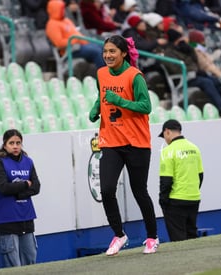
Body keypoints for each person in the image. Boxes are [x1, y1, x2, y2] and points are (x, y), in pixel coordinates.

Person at [88, 34, 159, 255]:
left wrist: (120, 101)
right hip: (111, 140)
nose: (107, 55)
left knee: (139, 191)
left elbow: (146, 106)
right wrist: (96, 108)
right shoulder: (100, 73)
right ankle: (119, 235)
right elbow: (102, 95)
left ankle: (152, 237)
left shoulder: (134, 76)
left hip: (136, 142)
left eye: (112, 52)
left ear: (124, 53)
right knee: (107, 190)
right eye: (105, 51)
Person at [0, 129, 41, 267]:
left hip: (26, 217)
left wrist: (19, 192)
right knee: (13, 266)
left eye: (18, 143)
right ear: (5, 145)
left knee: (30, 260)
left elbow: (36, 187)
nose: (15, 146)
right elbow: (3, 187)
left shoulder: (28, 161)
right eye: (11, 143)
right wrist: (25, 184)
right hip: (6, 219)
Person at [162, 29, 221, 117]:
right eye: (182, 38)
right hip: (184, 78)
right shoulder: (169, 53)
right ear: (177, 39)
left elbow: (194, 61)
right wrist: (193, 71)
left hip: (193, 75)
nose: (185, 39)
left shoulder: (183, 49)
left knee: (216, 81)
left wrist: (189, 49)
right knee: (207, 83)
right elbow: (175, 69)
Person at [158, 119, 204, 241]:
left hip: (176, 201)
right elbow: (200, 176)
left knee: (178, 239)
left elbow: (166, 180)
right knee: (192, 236)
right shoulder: (194, 148)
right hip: (194, 198)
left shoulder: (167, 151)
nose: (165, 140)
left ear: (167, 132)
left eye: (164, 136)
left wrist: (163, 200)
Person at [46, 0, 105, 69]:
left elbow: (76, 33)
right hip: (70, 50)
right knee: (96, 51)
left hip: (80, 46)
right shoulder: (52, 24)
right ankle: (104, 76)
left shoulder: (66, 20)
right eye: (61, 9)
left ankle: (113, 74)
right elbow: (59, 43)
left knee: (104, 47)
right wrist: (75, 40)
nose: (63, 10)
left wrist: (83, 40)